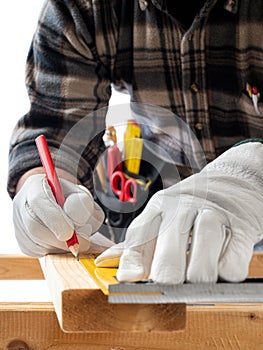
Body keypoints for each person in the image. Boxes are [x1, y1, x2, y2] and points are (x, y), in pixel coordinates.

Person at [8, 0, 263, 283]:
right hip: (164, 234)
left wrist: (253, 173)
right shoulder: (82, 8)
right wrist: (41, 191)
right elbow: (57, 127)